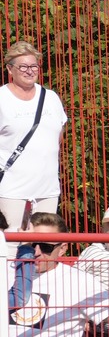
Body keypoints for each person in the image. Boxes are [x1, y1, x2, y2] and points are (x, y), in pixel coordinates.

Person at [0, 42, 65, 230]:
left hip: (47, 187)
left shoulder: (51, 98)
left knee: (44, 243)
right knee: (10, 243)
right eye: (23, 66)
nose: (30, 71)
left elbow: (58, 134)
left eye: (34, 66)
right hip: (11, 187)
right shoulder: (2, 98)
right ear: (10, 69)